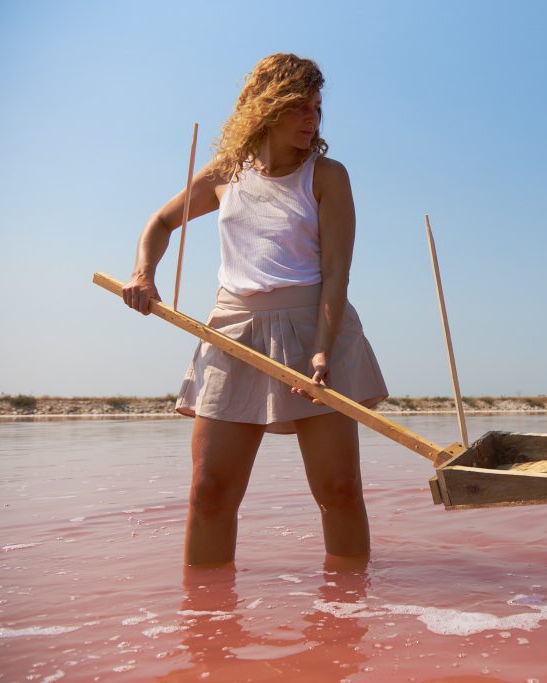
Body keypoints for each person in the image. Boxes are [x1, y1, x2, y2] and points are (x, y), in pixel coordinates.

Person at [122, 54, 388, 565]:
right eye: (299, 107)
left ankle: (349, 621)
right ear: (266, 108)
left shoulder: (327, 175)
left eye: (317, 108)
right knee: (210, 491)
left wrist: (320, 352)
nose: (313, 119)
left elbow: (337, 275)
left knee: (339, 490)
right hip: (232, 333)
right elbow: (159, 221)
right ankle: (203, 629)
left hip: (315, 326)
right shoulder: (226, 172)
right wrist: (142, 274)